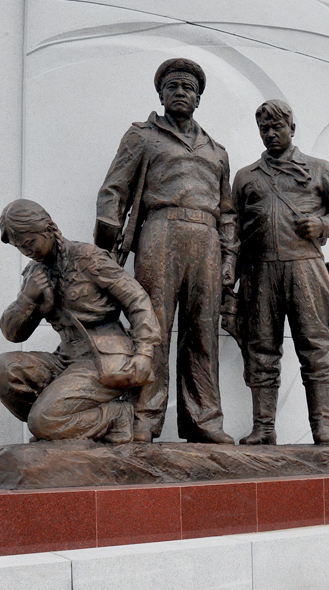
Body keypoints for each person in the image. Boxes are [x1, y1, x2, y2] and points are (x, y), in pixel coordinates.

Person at [95, 59, 237, 444]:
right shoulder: (142, 135)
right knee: (153, 328)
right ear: (160, 93)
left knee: (203, 333)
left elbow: (228, 214)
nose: (179, 92)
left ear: (198, 98)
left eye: (187, 88)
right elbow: (113, 192)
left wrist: (229, 258)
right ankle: (144, 416)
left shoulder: (217, 152)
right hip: (160, 231)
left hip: (206, 239)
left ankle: (204, 419)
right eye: (172, 86)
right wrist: (104, 250)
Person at [231, 99, 329, 445]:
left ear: (292, 129)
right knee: (260, 351)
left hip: (305, 269)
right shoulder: (246, 177)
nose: (271, 134)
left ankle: (322, 426)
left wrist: (321, 224)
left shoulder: (319, 169)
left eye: (277, 127)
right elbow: (233, 231)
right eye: (264, 129)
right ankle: (264, 428)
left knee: (314, 348)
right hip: (259, 273)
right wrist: (230, 278)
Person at [0, 199, 160, 443]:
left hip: (104, 358)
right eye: (20, 248)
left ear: (48, 229)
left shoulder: (88, 258)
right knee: (1, 368)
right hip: (65, 359)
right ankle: (59, 425)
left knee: (42, 421)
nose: (27, 252)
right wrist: (27, 298)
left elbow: (137, 300)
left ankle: (116, 416)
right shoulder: (34, 274)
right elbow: (13, 334)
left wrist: (144, 352)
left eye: (29, 243)